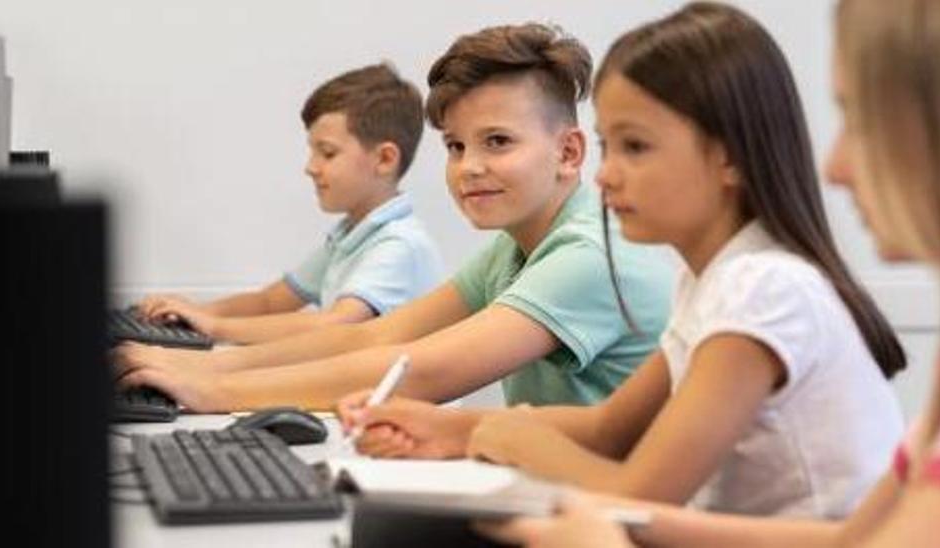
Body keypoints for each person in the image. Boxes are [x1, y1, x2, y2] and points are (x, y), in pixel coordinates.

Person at [480, 0, 940, 545]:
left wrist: (596, 521)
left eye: (861, 120)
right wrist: (623, 519)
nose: (838, 166)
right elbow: (857, 541)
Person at [341, 2, 906, 518]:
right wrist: (452, 429)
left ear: (730, 155)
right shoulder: (711, 280)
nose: (606, 174)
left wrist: (510, 438)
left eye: (634, 147)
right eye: (609, 147)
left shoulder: (763, 288)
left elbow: (638, 493)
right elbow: (607, 428)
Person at [115, 23, 674, 412]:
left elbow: (420, 370)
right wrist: (206, 370)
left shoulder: (590, 253)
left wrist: (215, 387)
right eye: (455, 147)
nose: (469, 167)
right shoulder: (515, 248)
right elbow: (377, 337)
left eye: (497, 142)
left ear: (569, 153)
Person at [135, 63, 442, 345]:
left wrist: (214, 326)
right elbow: (270, 302)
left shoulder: (400, 246)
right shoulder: (352, 234)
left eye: (327, 153)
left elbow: (336, 325)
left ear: (385, 159)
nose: (311, 167)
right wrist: (193, 313)